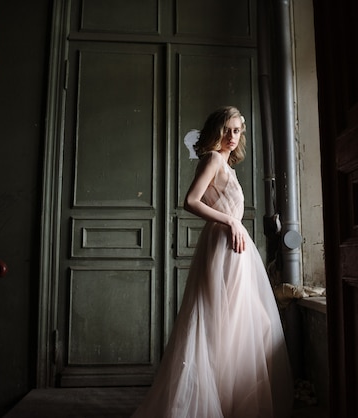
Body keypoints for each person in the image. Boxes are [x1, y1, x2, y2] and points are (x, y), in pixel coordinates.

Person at [131, 106, 293, 418]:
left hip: (235, 248)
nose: (233, 137)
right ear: (216, 130)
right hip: (224, 244)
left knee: (245, 321)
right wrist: (231, 223)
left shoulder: (227, 165)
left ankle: (230, 402)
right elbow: (191, 201)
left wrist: (234, 226)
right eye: (228, 130)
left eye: (238, 131)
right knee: (221, 320)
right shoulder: (212, 159)